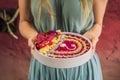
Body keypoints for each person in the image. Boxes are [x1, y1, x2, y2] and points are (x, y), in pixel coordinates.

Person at [18, 0, 108, 80]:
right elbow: (24, 21)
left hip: (83, 68)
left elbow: (98, 23)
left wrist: (92, 34)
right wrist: (34, 36)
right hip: (43, 68)